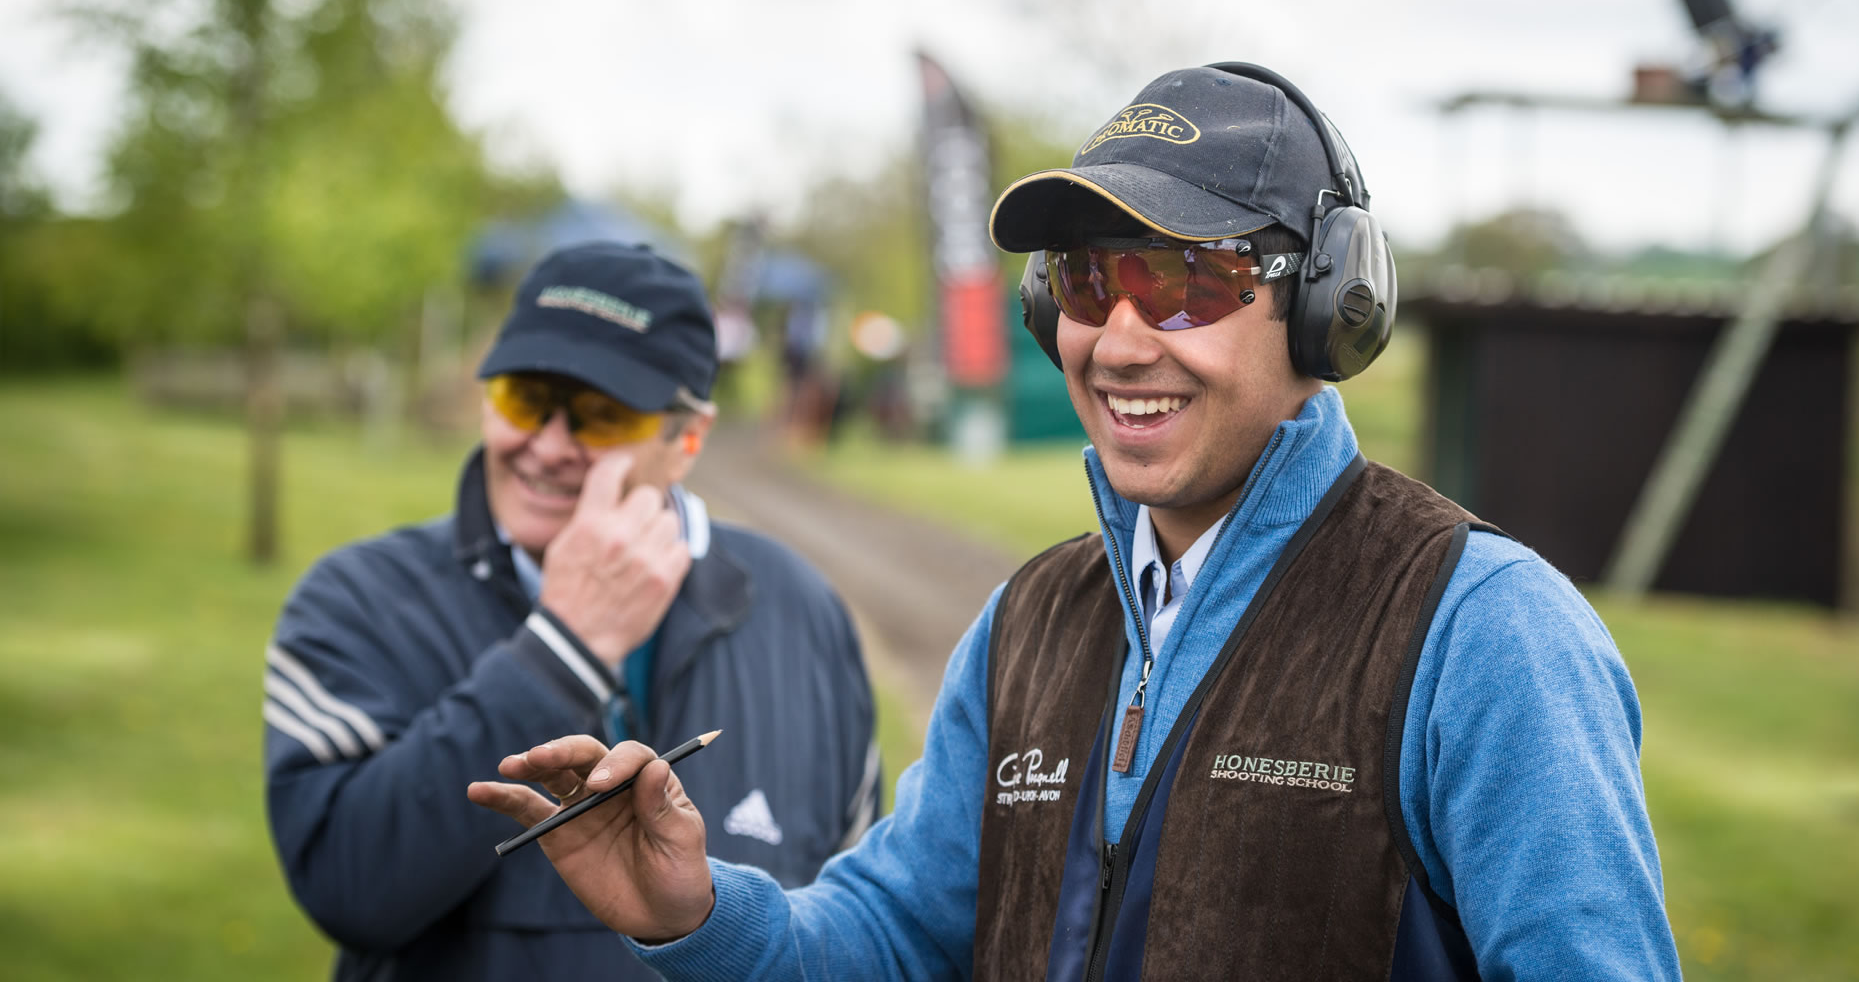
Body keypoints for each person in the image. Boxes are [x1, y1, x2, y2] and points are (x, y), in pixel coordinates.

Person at [470, 65, 1683, 980]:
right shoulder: (1028, 623)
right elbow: (893, 933)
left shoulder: (1482, 629)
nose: (1118, 339)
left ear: (1330, 311)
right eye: (1089, 281)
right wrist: (697, 908)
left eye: (1191, 280)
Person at [264, 242, 881, 981]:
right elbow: (349, 891)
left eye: (599, 413)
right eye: (525, 399)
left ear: (685, 439)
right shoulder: (359, 599)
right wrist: (565, 648)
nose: (549, 446)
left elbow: (857, 923)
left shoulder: (800, 608)